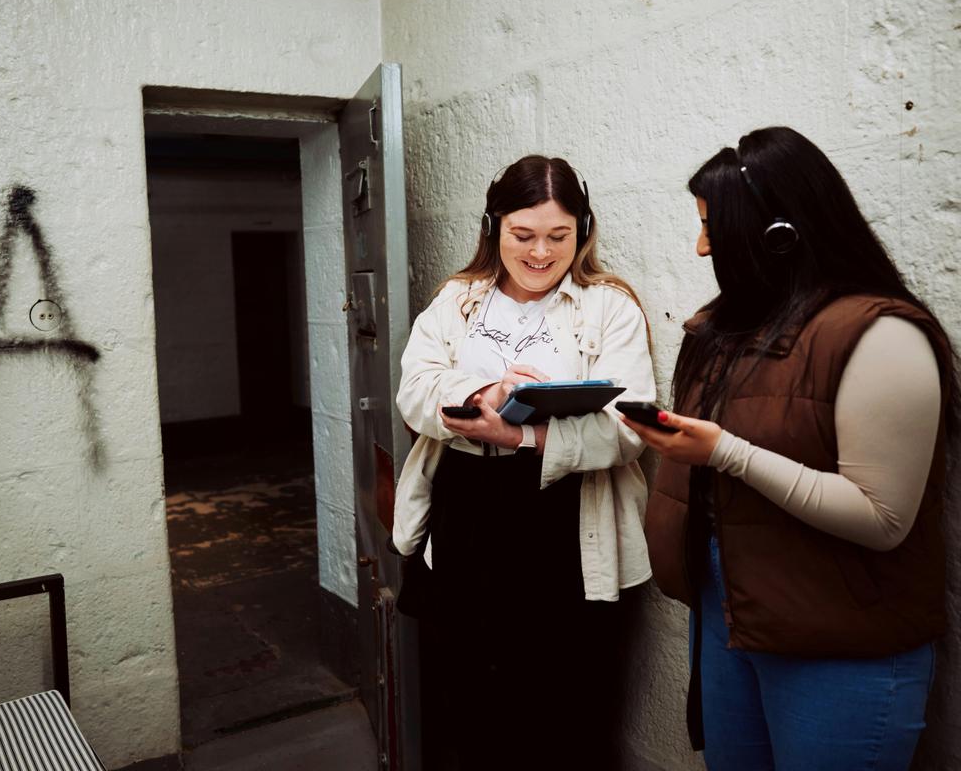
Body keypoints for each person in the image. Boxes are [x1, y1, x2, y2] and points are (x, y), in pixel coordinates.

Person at [624, 126, 957, 771]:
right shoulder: (729, 330)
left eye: (713, 230)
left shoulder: (881, 334)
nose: (699, 249)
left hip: (839, 642)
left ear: (777, 236)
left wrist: (723, 452)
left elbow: (883, 518)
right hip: (733, 614)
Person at [392, 155, 656, 769]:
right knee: (467, 694)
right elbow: (415, 389)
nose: (540, 252)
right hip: (465, 506)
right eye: (523, 234)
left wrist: (519, 436)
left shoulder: (609, 306)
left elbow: (630, 431)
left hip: (561, 516)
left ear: (582, 231)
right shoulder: (458, 300)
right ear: (494, 227)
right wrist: (483, 395)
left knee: (561, 700)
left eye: (559, 236)